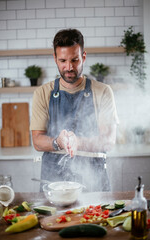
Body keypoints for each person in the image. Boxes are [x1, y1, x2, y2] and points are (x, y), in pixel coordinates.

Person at [30, 28, 119, 192]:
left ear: (83, 57)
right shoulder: (42, 93)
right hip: (54, 185)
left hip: (95, 184)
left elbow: (108, 141)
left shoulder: (103, 92)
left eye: (75, 60)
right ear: (55, 59)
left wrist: (78, 142)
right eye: (63, 60)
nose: (69, 67)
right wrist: (58, 142)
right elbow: (37, 140)